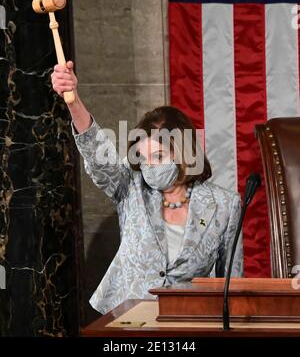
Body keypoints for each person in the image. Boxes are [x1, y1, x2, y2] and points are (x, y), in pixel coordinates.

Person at [51, 61, 243, 315]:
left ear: (184, 151)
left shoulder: (225, 205)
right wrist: (73, 101)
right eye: (143, 157)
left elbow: (231, 282)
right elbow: (97, 153)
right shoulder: (129, 187)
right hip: (129, 319)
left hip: (189, 320)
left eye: (159, 155)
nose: (150, 166)